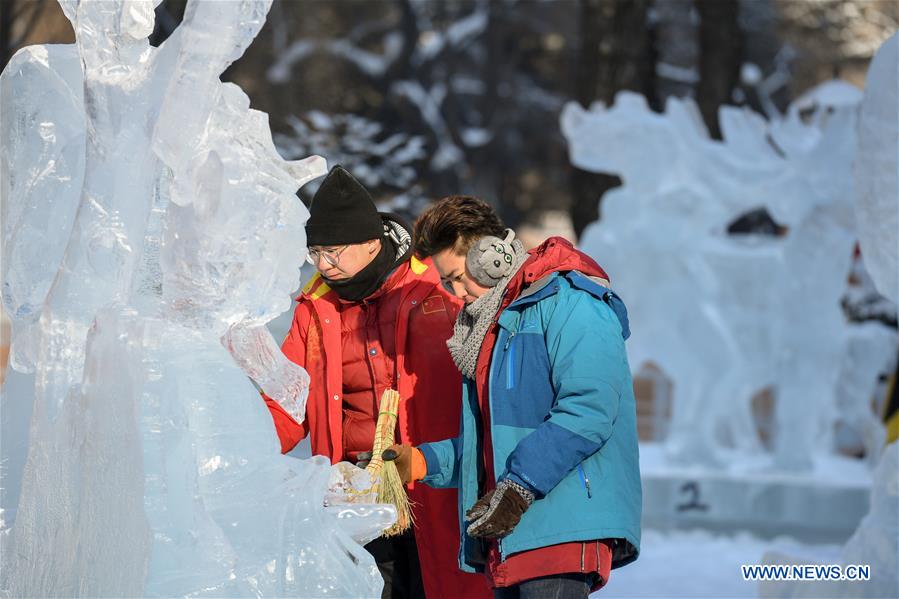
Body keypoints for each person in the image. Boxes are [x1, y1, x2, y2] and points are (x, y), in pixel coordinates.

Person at [384, 195, 642, 598]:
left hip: (561, 526)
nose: (454, 293)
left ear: (492, 256)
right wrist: (420, 462)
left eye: (455, 276)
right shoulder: (495, 329)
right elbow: (494, 442)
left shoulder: (572, 302)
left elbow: (589, 410)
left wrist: (520, 485)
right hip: (512, 536)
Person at [263, 168, 489, 599]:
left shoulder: (436, 289)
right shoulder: (315, 310)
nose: (322, 264)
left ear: (371, 244)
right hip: (358, 501)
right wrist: (241, 450)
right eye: (314, 253)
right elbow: (286, 402)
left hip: (436, 487)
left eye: (332, 252)